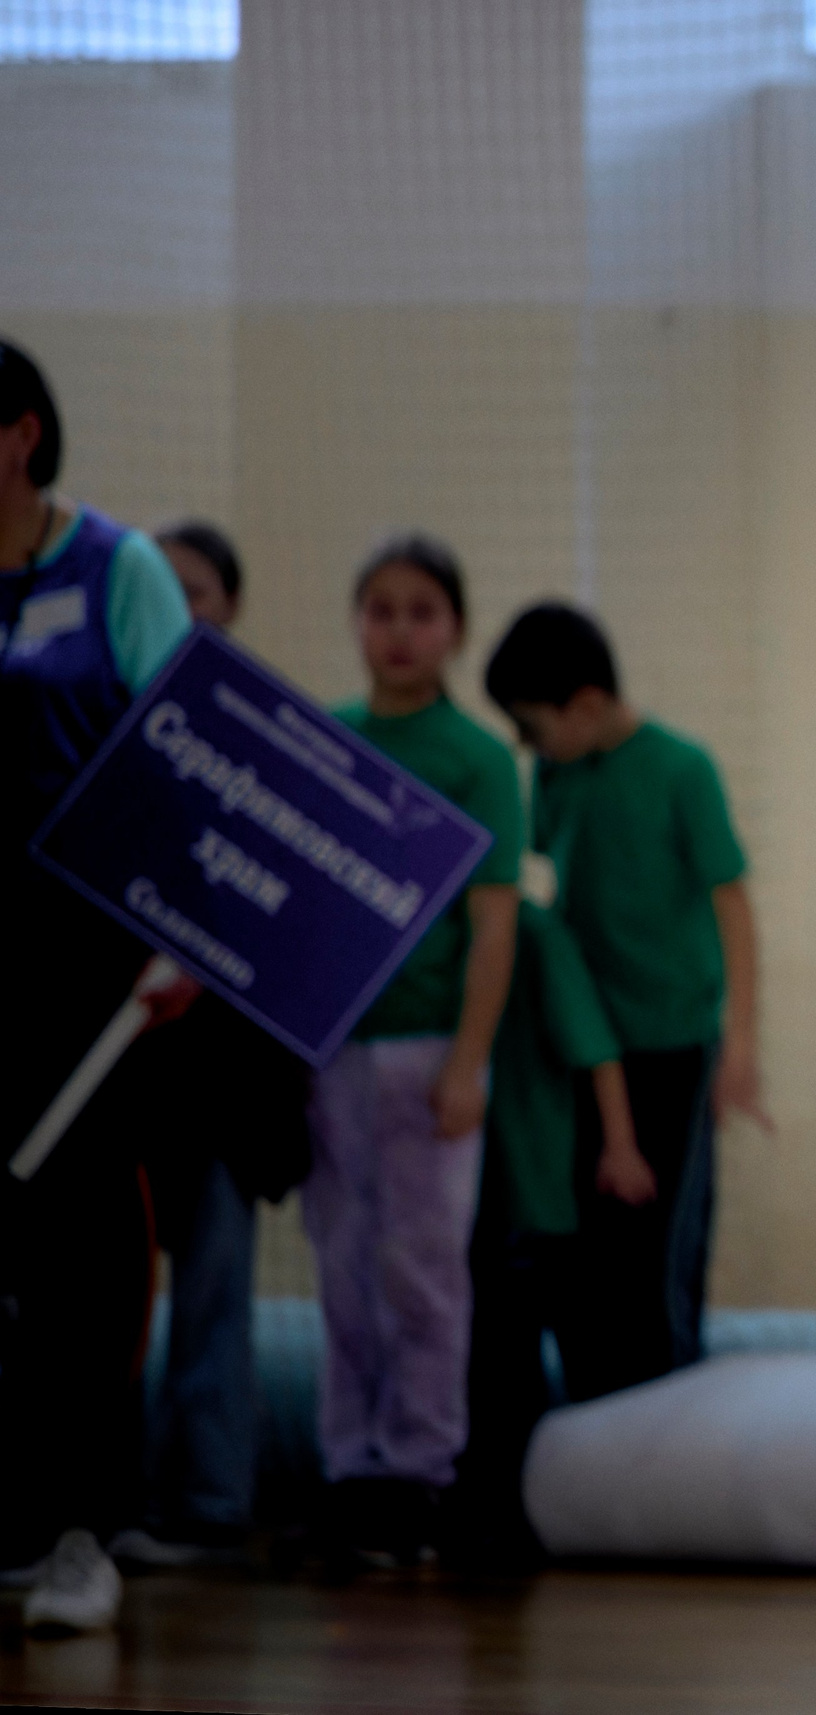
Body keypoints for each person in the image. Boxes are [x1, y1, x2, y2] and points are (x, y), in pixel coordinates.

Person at [0, 338, 195, 1633]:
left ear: (19, 432)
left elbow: (193, 751)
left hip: (88, 967)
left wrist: (180, 932)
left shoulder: (116, 566)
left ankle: (84, 1530)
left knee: (83, 1246)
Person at [482, 601, 765, 1401]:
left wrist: (738, 1046)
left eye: (533, 725)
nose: (527, 745)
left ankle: (666, 1429)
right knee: (585, 1254)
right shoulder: (558, 773)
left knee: (656, 1255)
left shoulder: (681, 768)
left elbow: (733, 904)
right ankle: (591, 1435)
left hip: (670, 1047)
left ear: (587, 704)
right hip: (584, 1049)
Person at [310, 534, 522, 1570]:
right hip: (332, 1049)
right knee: (342, 1261)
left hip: (429, 1044)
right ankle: (349, 1466)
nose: (399, 630)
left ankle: (421, 1471)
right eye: (380, 608)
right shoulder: (324, 739)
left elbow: (493, 926)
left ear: (455, 630)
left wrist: (467, 1062)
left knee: (425, 1270)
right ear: (356, 622)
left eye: (421, 611)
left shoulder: (478, 759)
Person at [112, 521, 313, 1571]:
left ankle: (208, 1500)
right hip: (121, 1073)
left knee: (214, 1294)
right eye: (164, 590)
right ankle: (99, 1497)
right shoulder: (108, 729)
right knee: (104, 1299)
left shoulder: (264, 745)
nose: (182, 608)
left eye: (198, 591)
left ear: (230, 606)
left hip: (226, 1084)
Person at [450, 863, 643, 1571]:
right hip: (463, 1194)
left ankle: (515, 1512)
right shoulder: (436, 935)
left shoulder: (534, 934)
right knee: (483, 1353)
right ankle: (480, 1505)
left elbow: (596, 1049)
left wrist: (619, 1147)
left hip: (528, 1187)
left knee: (513, 1359)